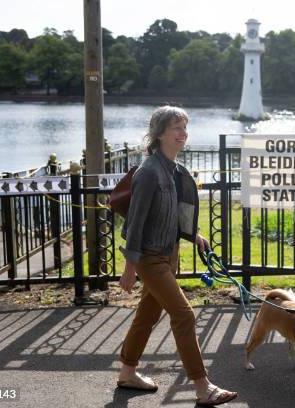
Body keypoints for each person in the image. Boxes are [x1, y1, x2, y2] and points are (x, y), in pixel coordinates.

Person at [117, 106, 238, 406]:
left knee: (148, 314)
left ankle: (127, 373)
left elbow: (170, 214)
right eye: (176, 128)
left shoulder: (174, 170)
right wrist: (130, 266)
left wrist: (193, 235)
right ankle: (202, 386)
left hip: (168, 255)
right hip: (149, 258)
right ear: (160, 134)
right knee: (184, 315)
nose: (183, 133)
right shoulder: (148, 172)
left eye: (185, 127)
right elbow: (135, 222)